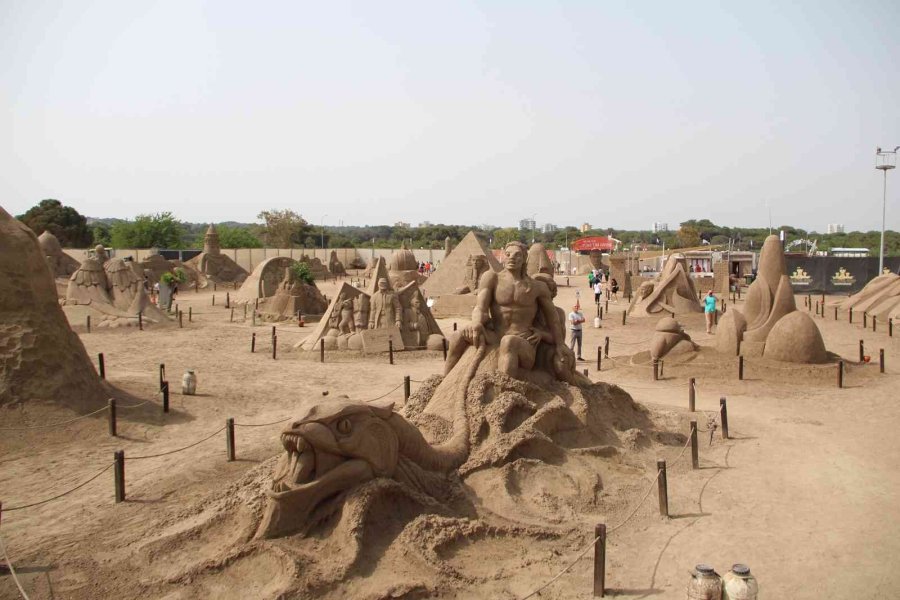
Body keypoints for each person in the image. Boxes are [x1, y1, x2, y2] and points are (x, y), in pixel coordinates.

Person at [445, 241, 565, 379]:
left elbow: (553, 319)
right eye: (508, 254)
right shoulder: (492, 278)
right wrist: (476, 322)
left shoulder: (537, 287)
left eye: (517, 255)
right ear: (504, 257)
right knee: (456, 336)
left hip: (522, 342)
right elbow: (480, 307)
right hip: (495, 335)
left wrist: (560, 345)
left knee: (508, 342)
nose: (512, 258)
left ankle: (505, 390)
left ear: (524, 258)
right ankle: (444, 383)